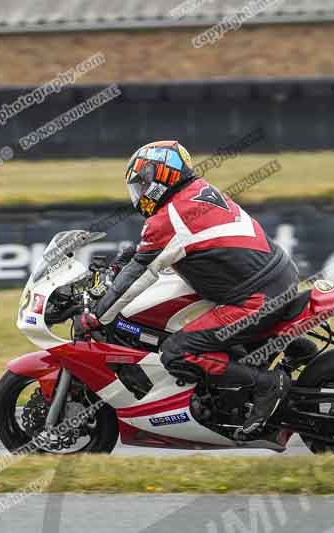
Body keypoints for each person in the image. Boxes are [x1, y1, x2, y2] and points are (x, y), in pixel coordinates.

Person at [78, 140, 299, 436]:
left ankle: (267, 385)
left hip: (256, 297)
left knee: (177, 352)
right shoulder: (193, 194)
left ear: (162, 177)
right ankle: (296, 349)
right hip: (277, 277)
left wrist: (97, 315)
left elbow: (141, 269)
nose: (140, 191)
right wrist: (117, 264)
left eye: (142, 182)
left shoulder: (170, 216)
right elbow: (147, 250)